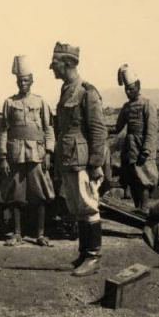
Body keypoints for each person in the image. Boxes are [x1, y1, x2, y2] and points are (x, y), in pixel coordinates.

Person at [51, 42, 108, 276]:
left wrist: (96, 164)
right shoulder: (67, 89)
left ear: (67, 64)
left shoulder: (87, 91)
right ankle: (84, 254)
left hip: (83, 161)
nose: (51, 67)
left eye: (55, 63)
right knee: (77, 207)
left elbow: (98, 131)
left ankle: (94, 257)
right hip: (68, 159)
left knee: (88, 206)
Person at [0, 55, 55, 246]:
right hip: (16, 154)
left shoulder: (40, 102)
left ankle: (40, 234)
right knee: (16, 195)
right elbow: (4, 130)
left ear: (31, 81)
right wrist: (3, 157)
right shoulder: (9, 103)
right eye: (20, 80)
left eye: (26, 80)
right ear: (17, 81)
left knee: (39, 194)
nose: (23, 84)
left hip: (36, 154)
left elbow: (48, 129)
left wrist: (48, 152)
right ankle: (17, 233)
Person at [110, 64, 158, 213]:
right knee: (133, 179)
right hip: (129, 148)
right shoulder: (126, 107)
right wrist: (103, 129)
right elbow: (118, 128)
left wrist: (146, 150)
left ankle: (144, 209)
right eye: (126, 89)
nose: (128, 92)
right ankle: (137, 210)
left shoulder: (147, 104)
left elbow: (151, 130)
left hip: (142, 147)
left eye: (131, 88)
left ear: (138, 85)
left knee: (143, 179)